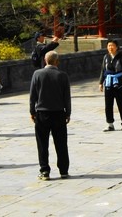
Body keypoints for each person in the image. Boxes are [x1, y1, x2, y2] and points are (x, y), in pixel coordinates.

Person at [30, 50, 71, 181]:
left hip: (42, 113)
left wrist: (32, 111)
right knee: (61, 143)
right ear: (57, 62)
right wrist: (68, 112)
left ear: (44, 61)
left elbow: (32, 96)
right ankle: (63, 170)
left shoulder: (37, 74)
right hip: (59, 113)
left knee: (42, 143)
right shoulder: (63, 75)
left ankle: (44, 170)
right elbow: (67, 97)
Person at [99, 39, 122, 131]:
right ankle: (110, 124)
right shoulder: (106, 57)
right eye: (109, 46)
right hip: (108, 82)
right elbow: (103, 70)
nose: (110, 47)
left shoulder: (121, 57)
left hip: (119, 82)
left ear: (117, 47)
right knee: (108, 104)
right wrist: (101, 82)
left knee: (120, 103)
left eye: (112, 45)